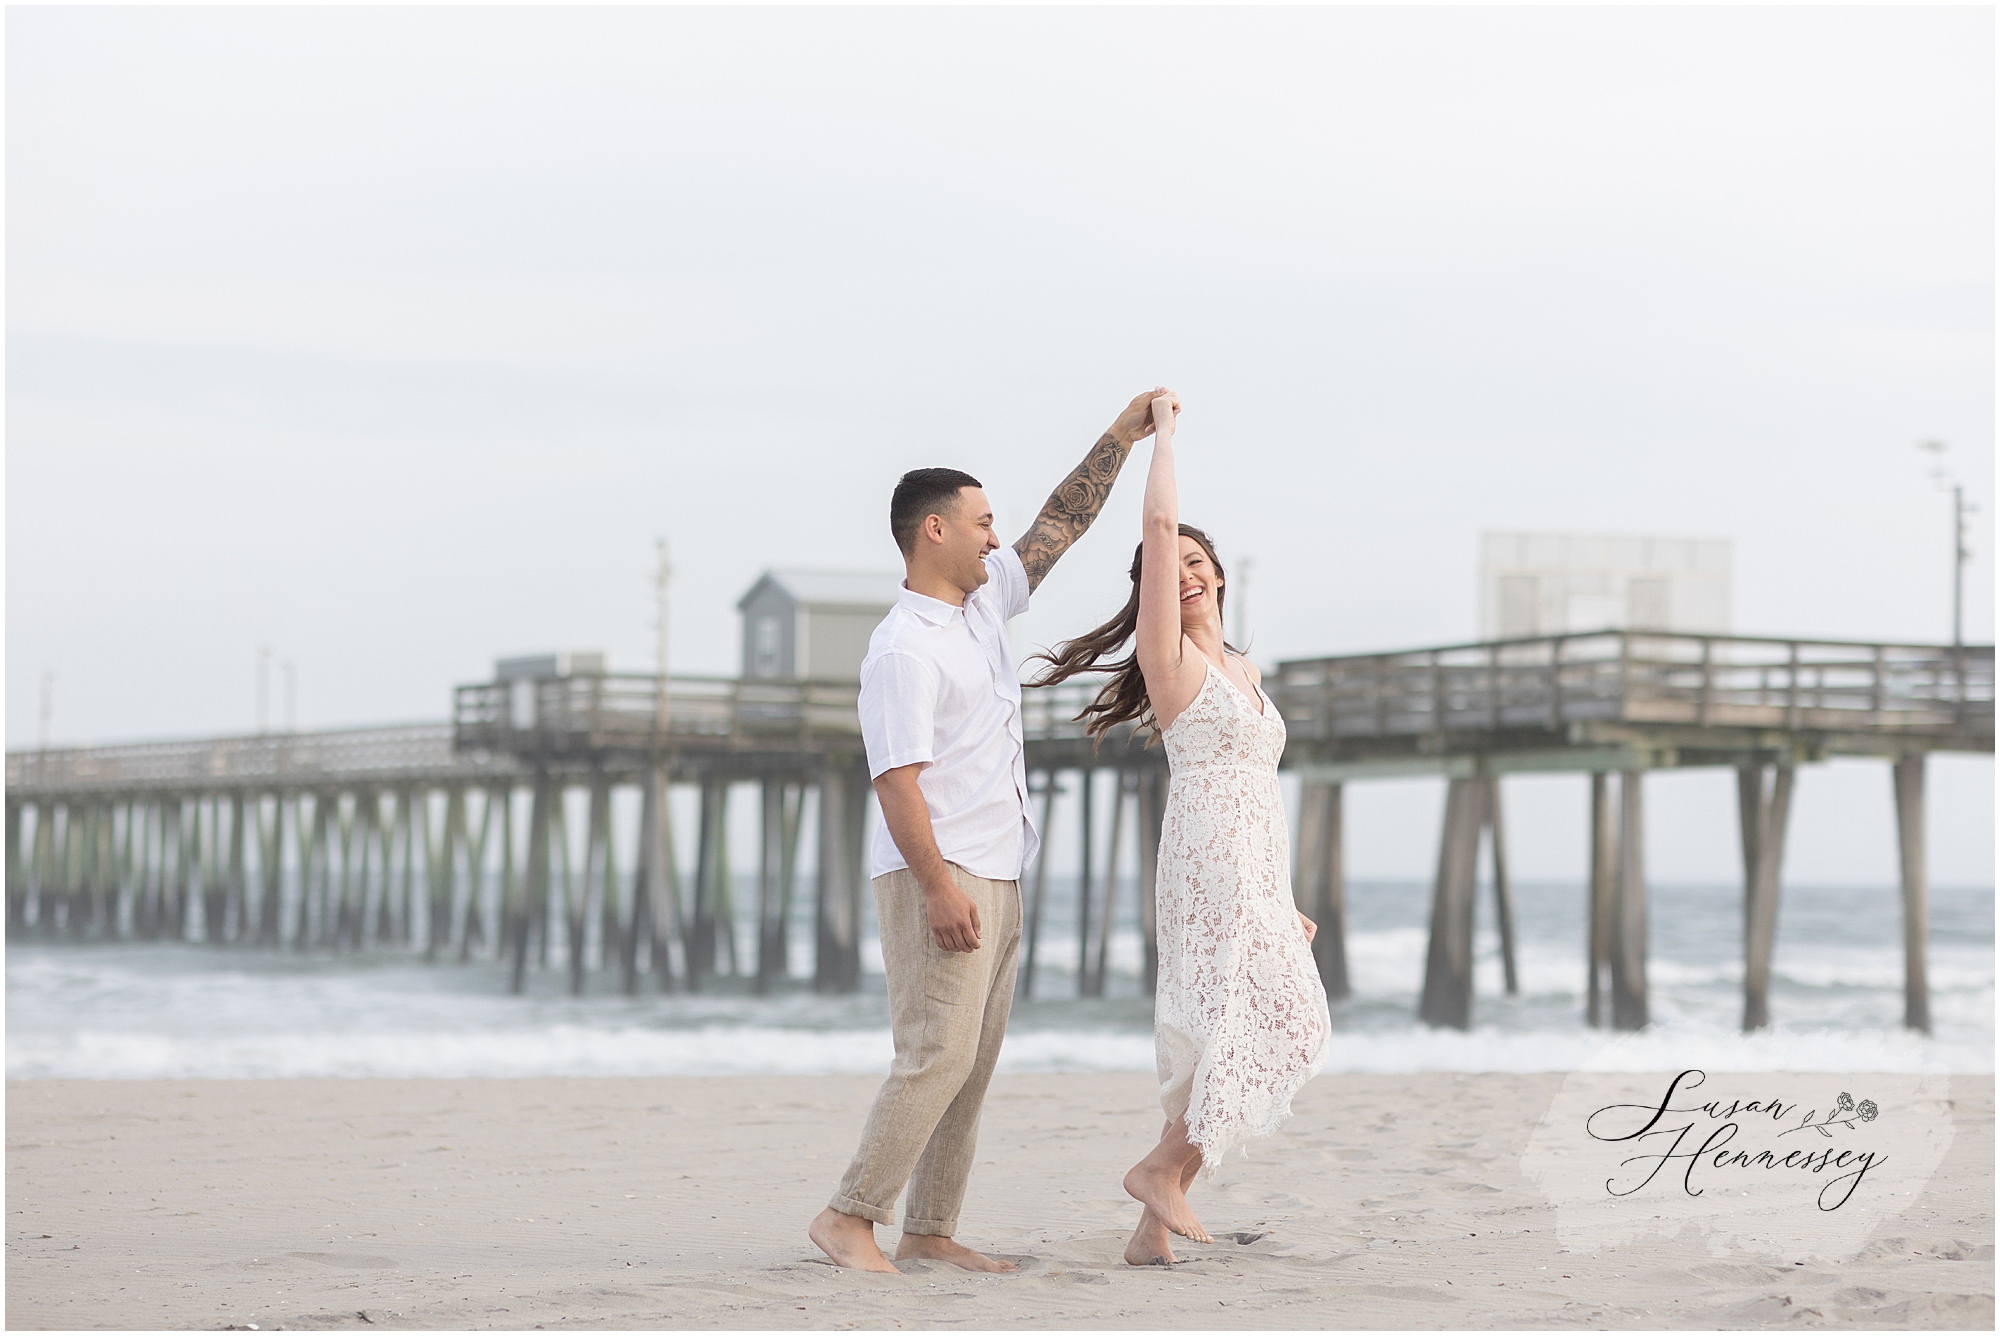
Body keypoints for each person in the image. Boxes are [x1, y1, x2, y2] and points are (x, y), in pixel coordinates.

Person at [808, 387, 1175, 1274]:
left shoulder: (979, 608)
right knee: (935, 1055)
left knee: (971, 1064)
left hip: (1000, 867)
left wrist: (1122, 438)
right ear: (934, 531)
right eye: (981, 521)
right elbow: (895, 783)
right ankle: (849, 1216)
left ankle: (930, 1231)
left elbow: (1060, 525)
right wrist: (937, 888)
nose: (996, 536)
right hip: (939, 870)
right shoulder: (904, 647)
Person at [1031, 393, 1329, 1267]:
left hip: (1251, 863)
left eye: (1200, 561)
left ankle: (1150, 1229)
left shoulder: (1248, 667)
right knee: (1290, 1020)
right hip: (1205, 858)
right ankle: (1163, 1172)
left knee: (1219, 1027)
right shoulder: (1174, 661)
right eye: (1173, 565)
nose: (1186, 572)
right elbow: (1158, 526)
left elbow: (1262, 796)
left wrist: (1284, 897)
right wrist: (1161, 437)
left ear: (1222, 574)